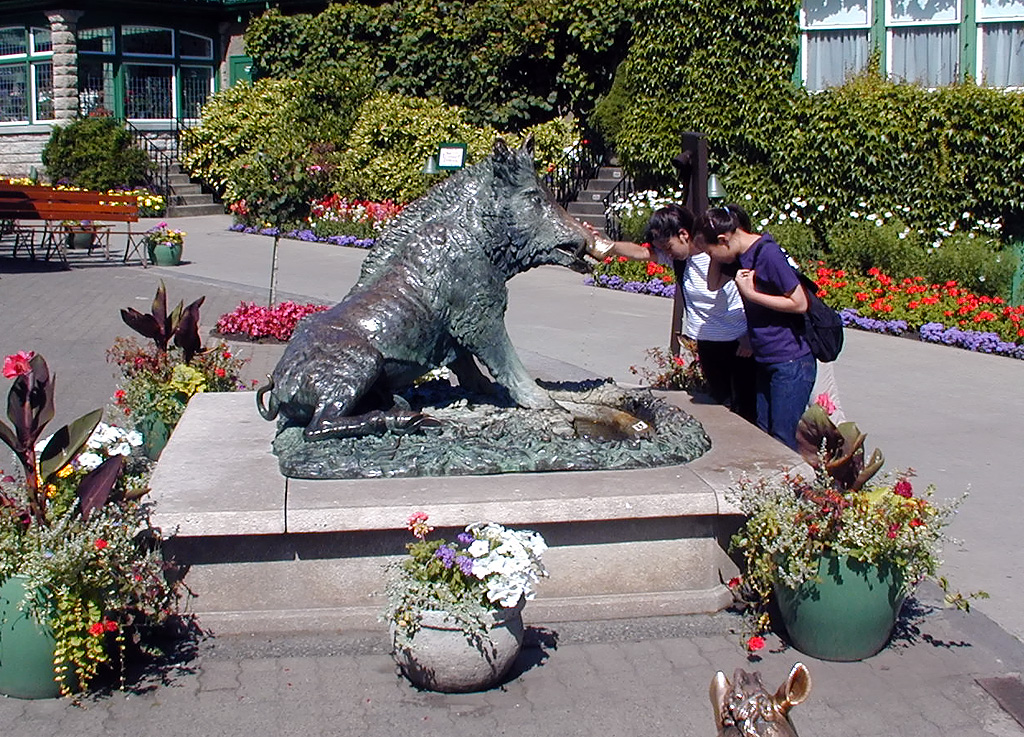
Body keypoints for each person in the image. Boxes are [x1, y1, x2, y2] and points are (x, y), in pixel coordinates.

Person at [586, 204, 756, 422]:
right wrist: (605, 245)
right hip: (708, 343)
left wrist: (750, 336)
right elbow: (640, 252)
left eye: (668, 246)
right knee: (721, 406)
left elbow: (746, 294)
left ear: (684, 234)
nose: (666, 254)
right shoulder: (679, 259)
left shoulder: (718, 254)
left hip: (738, 345)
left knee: (745, 410)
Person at [693, 204, 815, 451]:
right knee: (761, 432)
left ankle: (791, 488)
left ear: (723, 239)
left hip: (790, 360)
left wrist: (751, 294)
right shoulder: (740, 256)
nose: (712, 258)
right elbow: (713, 284)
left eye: (712, 252)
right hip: (766, 358)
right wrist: (716, 252)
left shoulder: (767, 254)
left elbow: (800, 302)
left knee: (782, 439)